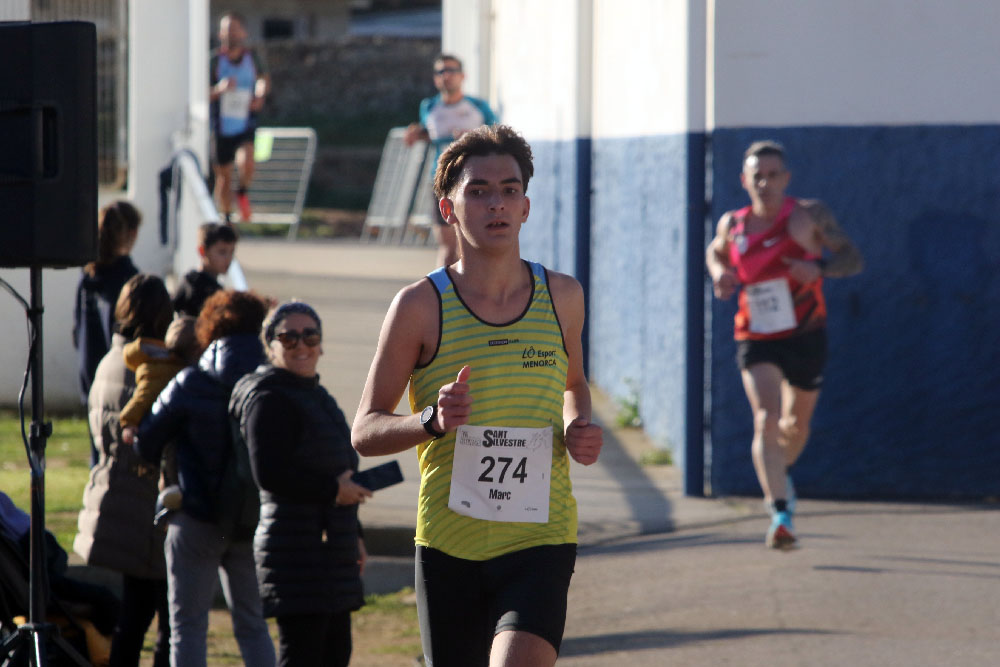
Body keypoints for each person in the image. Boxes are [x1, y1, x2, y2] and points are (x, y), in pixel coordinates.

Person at [353, 124, 603, 667]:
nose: (497, 204)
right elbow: (366, 431)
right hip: (449, 542)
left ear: (527, 206)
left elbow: (574, 385)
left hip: (542, 536)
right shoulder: (419, 306)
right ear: (448, 209)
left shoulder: (563, 296)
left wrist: (578, 425)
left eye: (509, 190)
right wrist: (430, 420)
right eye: (479, 190)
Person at [706, 140, 864, 549]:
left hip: (805, 334)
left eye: (773, 174)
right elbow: (715, 252)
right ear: (744, 180)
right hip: (755, 336)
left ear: (786, 178)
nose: (765, 182)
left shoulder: (809, 216)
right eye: (757, 175)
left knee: (796, 426)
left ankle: (781, 475)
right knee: (766, 418)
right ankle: (780, 511)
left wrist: (820, 267)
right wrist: (720, 274)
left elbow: (853, 258)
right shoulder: (733, 224)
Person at [135, 289, 275, 667]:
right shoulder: (272, 384)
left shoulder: (190, 383)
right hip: (252, 518)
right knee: (253, 624)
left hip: (196, 516)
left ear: (208, 328)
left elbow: (146, 443)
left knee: (188, 627)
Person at [230, 301, 371, 667]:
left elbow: (340, 466)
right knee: (303, 654)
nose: (302, 345)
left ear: (321, 344)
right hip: (294, 551)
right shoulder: (269, 398)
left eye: (310, 336)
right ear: (270, 345)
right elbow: (270, 473)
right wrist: (332, 491)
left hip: (330, 546)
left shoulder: (317, 395)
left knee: (335, 653)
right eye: (288, 337)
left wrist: (354, 532)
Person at [73, 274, 173, 667]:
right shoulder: (150, 365)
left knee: (135, 613)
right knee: (166, 619)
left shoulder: (110, 359)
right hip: (149, 500)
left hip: (118, 491)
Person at [404, 53, 497, 268]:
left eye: (451, 71)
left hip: (474, 180)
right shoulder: (429, 107)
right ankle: (444, 295)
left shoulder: (477, 106)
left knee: (471, 243)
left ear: (462, 76)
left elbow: (497, 135)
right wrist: (415, 135)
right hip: (441, 180)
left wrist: (472, 137)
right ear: (436, 78)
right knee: (447, 246)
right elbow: (429, 134)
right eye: (440, 71)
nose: (446, 76)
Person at [72, 200, 141, 466]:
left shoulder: (88, 275)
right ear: (132, 233)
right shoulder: (128, 280)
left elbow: (78, 328)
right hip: (120, 380)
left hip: (90, 376)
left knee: (98, 457)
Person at [210, 12, 270, 223]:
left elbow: (263, 79)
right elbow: (202, 93)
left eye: (234, 29)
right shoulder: (215, 61)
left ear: (243, 32)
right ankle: (225, 218)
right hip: (221, 125)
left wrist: (260, 94)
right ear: (220, 34)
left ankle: (242, 190)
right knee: (223, 176)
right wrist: (219, 89)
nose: (230, 34)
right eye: (227, 29)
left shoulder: (252, 58)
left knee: (247, 160)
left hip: (245, 122)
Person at [172, 222, 238, 318]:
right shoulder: (193, 285)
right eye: (222, 252)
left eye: (232, 252)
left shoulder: (191, 281)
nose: (228, 258)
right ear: (202, 251)